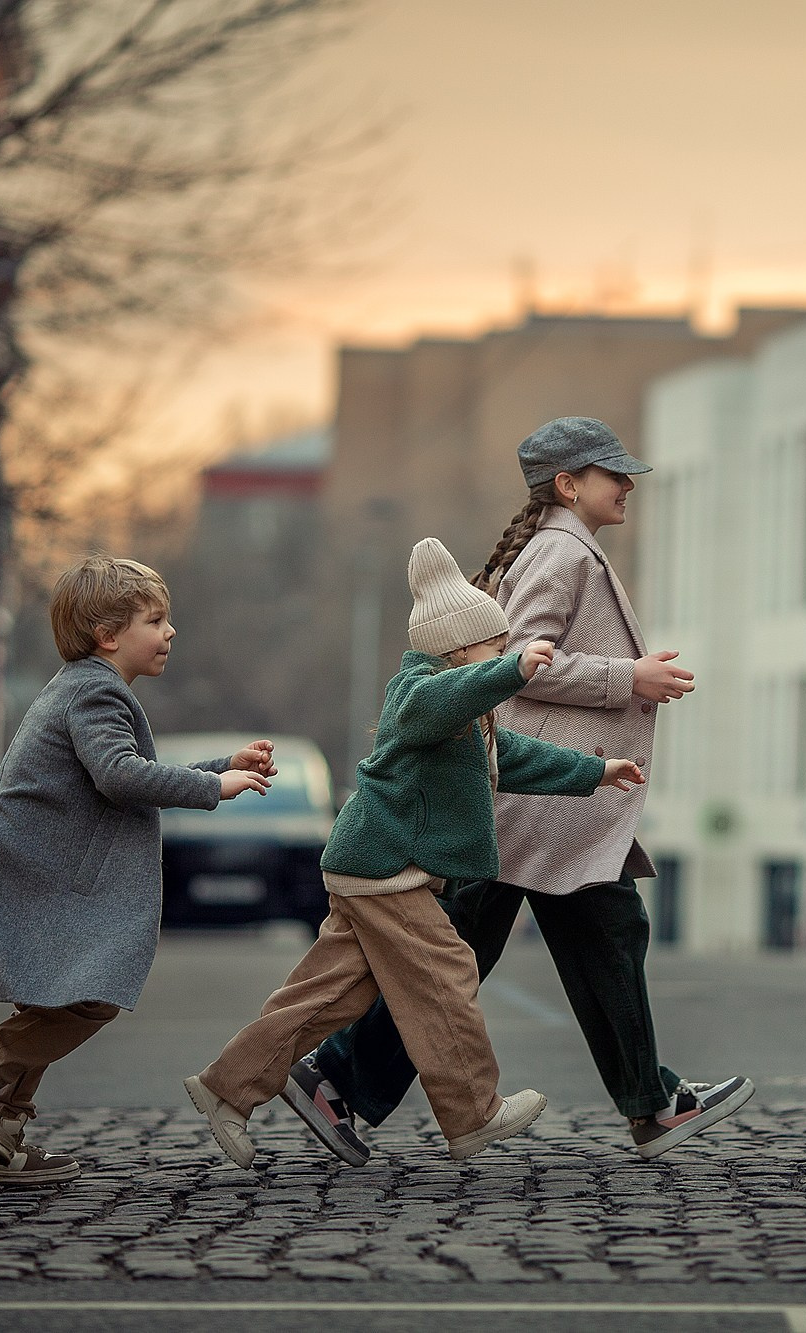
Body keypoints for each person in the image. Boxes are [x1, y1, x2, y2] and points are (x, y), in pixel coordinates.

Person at [298, 417, 753, 1162]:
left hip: (545, 800)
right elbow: (518, 661)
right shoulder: (560, 550)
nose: (628, 483)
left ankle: (342, 1079)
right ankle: (339, 1076)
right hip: (541, 794)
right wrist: (626, 677)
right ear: (569, 484)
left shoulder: (567, 547)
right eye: (614, 473)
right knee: (537, 939)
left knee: (557, 937)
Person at [184, 538, 646, 1170]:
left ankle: (224, 1089)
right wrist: (512, 672)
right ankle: (472, 1115)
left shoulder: (462, 705)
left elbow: (512, 757)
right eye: (493, 645)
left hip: (374, 867)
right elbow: (435, 706)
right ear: (458, 649)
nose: (503, 654)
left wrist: (596, 769)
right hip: (385, 869)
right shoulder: (420, 693)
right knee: (446, 970)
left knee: (330, 995)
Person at [0, 555, 275, 1186]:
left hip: (27, 854)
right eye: (156, 620)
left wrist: (224, 761)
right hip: (22, 857)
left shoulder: (87, 686)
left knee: (58, 992)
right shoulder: (95, 689)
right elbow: (120, 776)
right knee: (90, 994)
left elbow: (123, 765)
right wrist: (215, 785)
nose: (170, 633)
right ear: (110, 635)